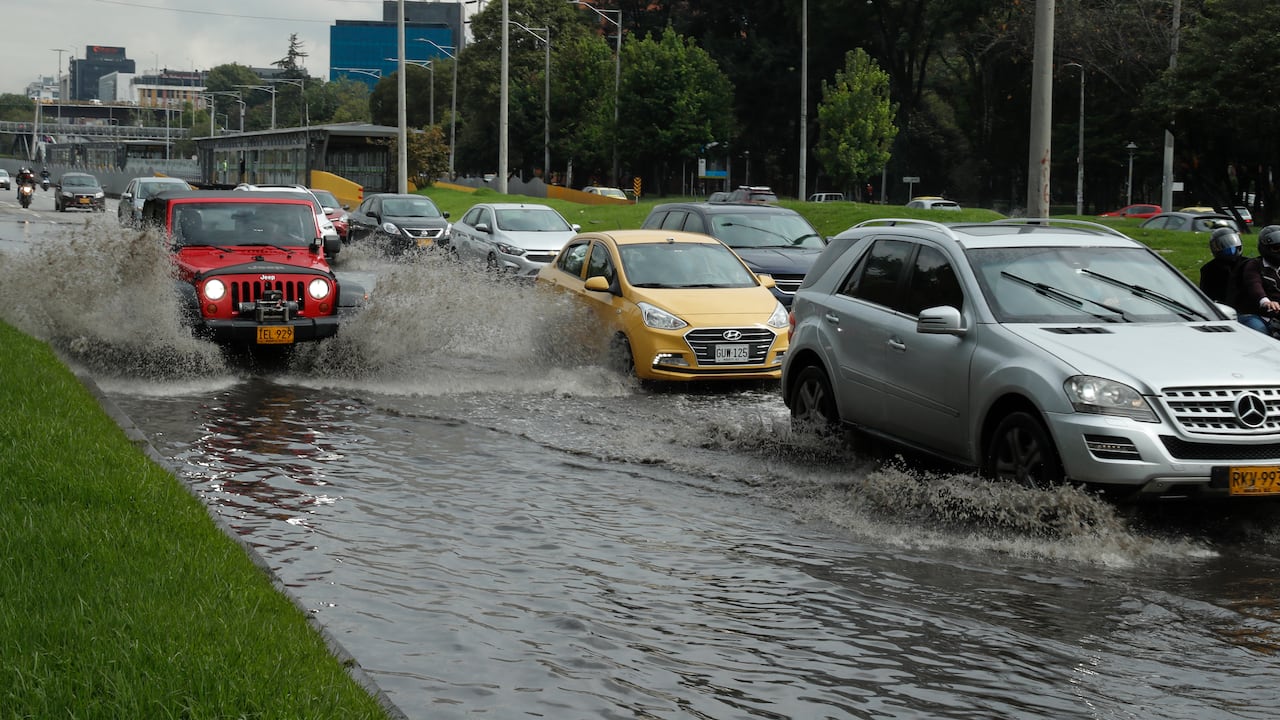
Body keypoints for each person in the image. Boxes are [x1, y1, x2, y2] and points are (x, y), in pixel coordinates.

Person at [1234, 224, 1280, 334]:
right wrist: (1265, 301)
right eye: (1276, 248)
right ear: (1265, 248)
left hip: (1277, 315)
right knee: (1260, 332)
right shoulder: (1254, 265)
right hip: (1256, 314)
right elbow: (1254, 284)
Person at [1198, 226, 1246, 305]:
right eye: (1224, 246)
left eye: (1232, 245)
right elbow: (1206, 296)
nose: (1230, 250)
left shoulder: (1247, 264)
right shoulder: (1209, 269)